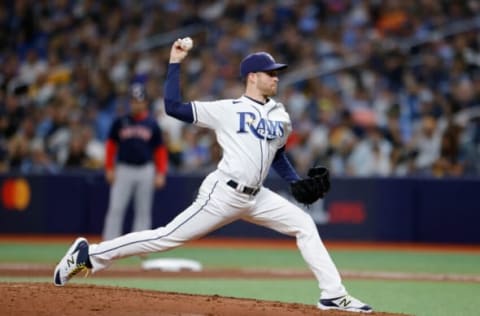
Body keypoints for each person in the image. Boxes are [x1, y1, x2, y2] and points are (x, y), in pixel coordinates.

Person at [53, 40, 372, 313]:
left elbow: (276, 154)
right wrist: (175, 62)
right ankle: (90, 254)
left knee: (304, 224)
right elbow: (173, 107)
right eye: (270, 73)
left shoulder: (281, 115)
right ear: (252, 77)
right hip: (223, 193)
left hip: (257, 196)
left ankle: (333, 295)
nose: (276, 77)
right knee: (165, 238)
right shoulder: (227, 109)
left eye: (277, 72)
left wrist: (292, 181)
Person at [101, 83, 168, 240]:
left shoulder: (152, 123)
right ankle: (108, 244)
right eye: (133, 100)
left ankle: (140, 245)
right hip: (124, 169)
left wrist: (161, 173)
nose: (136, 104)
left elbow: (160, 150)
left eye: (139, 100)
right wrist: (109, 168)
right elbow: (111, 145)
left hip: (146, 169)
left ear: (145, 102)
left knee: (143, 210)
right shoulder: (120, 121)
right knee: (116, 208)